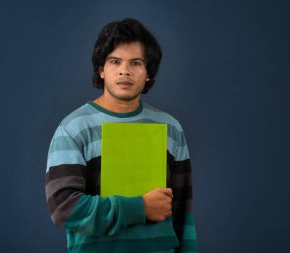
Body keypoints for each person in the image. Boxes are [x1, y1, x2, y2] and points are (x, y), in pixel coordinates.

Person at [45, 18, 197, 253]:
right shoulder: (73, 128)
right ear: (102, 70)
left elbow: (182, 214)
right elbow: (63, 208)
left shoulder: (171, 128)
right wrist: (140, 208)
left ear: (148, 73)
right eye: (115, 61)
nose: (125, 70)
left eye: (136, 63)